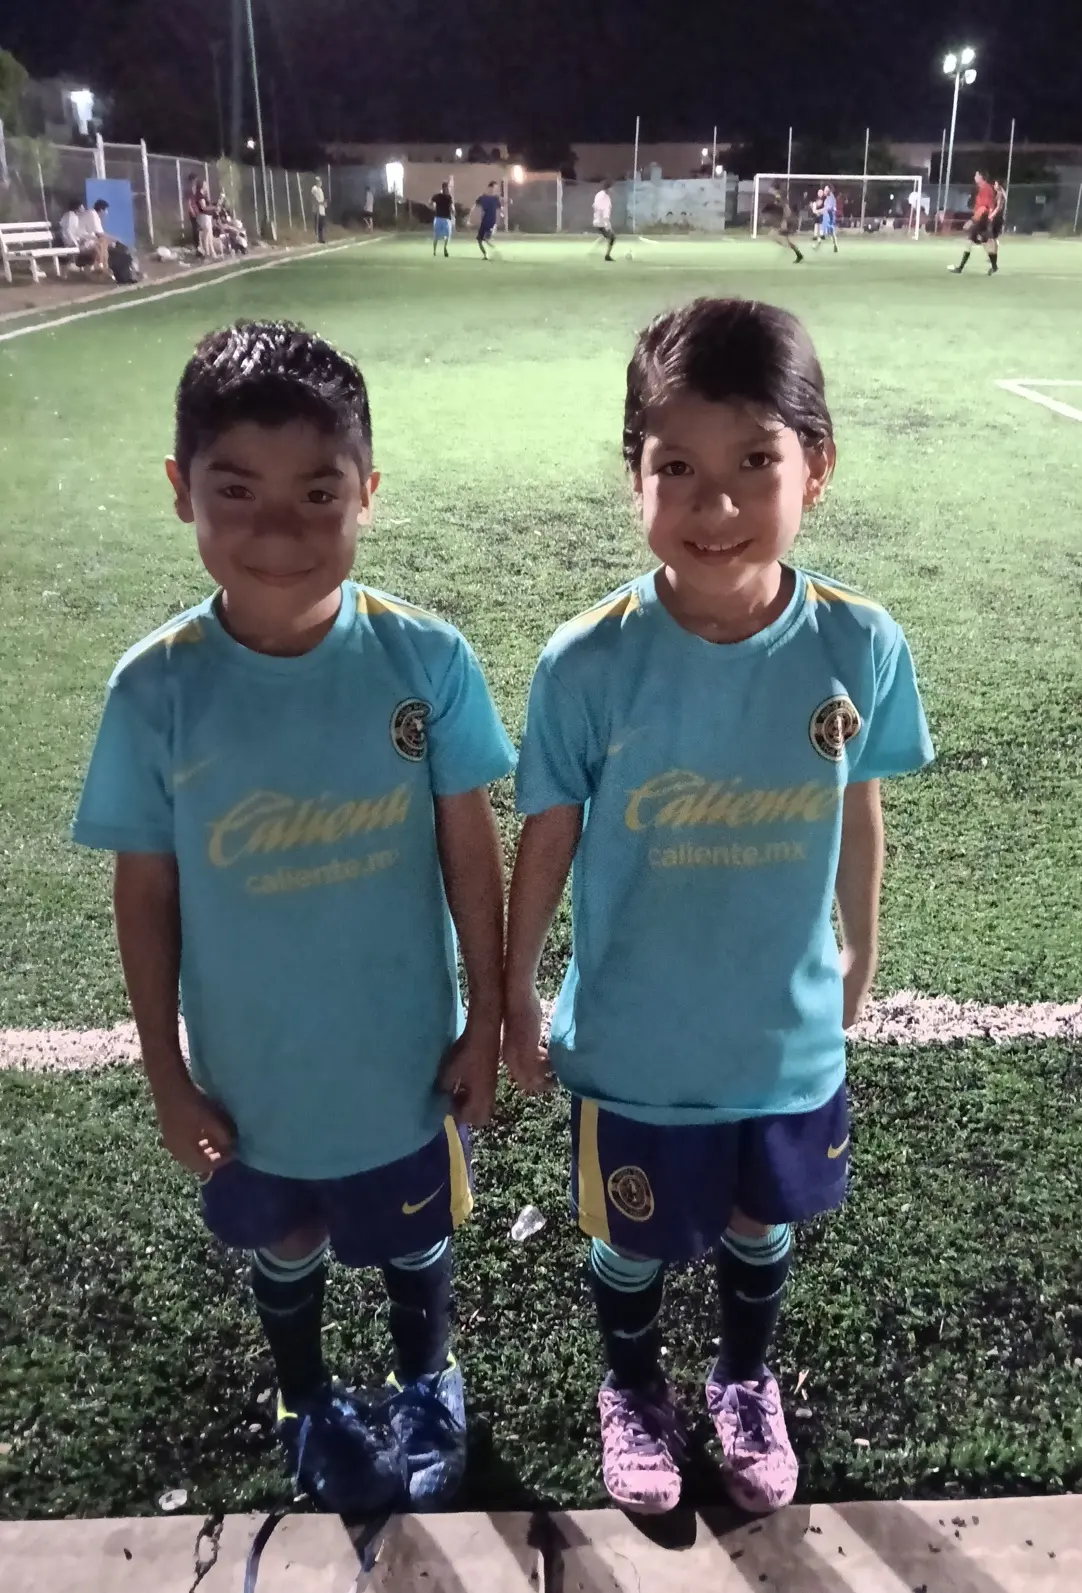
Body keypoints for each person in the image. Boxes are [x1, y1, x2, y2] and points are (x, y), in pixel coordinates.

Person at [72, 322, 515, 1514]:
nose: (278, 530)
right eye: (236, 491)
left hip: (401, 1062)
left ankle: (429, 1380)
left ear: (370, 490)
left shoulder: (422, 658)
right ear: (181, 493)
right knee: (286, 1244)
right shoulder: (156, 687)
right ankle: (305, 1394)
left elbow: (469, 849)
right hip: (252, 1078)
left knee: (419, 1234)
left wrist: (484, 1019)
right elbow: (147, 893)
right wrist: (165, 1074)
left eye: (318, 493)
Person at [503, 297, 934, 1516]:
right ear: (632, 477)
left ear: (819, 468)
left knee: (760, 1213)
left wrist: (864, 940)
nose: (718, 505)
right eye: (676, 468)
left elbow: (858, 805)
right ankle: (631, 1389)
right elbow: (550, 831)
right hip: (637, 1033)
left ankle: (745, 1378)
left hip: (782, 1028)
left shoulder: (859, 642)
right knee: (634, 1234)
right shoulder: (586, 660)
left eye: (757, 463)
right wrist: (519, 988)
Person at [948, 169, 998, 275]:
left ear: (981, 177)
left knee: (970, 241)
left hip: (981, 218)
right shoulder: (984, 188)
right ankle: (994, 266)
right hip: (983, 218)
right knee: (983, 242)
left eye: (976, 175)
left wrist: (973, 220)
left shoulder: (985, 189)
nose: (974, 177)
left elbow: (984, 207)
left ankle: (960, 268)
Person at [764, 185, 803, 263]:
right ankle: (798, 254)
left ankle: (792, 250)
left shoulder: (783, 203)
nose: (776, 195)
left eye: (777, 194)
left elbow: (787, 214)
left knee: (773, 235)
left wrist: (784, 222)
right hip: (783, 223)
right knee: (779, 237)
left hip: (784, 224)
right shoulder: (780, 202)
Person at [77, 198, 112, 274]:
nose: (107, 213)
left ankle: (102, 267)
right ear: (101, 210)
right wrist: (115, 240)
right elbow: (99, 234)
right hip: (81, 241)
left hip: (86, 240)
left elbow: (100, 233)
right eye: (106, 210)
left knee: (104, 242)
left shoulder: (93, 214)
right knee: (102, 242)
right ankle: (101, 268)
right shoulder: (92, 214)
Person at [474, 180, 503, 259]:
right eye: (494, 188)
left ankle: (496, 250)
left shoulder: (495, 198)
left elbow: (500, 207)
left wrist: (502, 213)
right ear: (489, 188)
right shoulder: (483, 197)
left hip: (491, 222)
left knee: (486, 239)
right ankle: (485, 255)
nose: (495, 190)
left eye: (496, 188)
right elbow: (475, 204)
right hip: (484, 221)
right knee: (479, 240)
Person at [593, 182, 616, 262]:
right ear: (608, 188)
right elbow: (605, 212)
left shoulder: (598, 195)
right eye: (612, 187)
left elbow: (595, 206)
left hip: (597, 220)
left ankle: (593, 250)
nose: (613, 189)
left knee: (605, 237)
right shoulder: (605, 198)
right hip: (601, 222)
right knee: (612, 237)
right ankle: (607, 255)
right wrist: (608, 225)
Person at [431, 182, 455, 257]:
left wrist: (453, 211)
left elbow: (451, 206)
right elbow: (431, 202)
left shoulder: (449, 197)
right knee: (436, 236)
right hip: (438, 218)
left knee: (448, 235)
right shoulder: (437, 196)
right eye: (447, 188)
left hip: (447, 219)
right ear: (443, 188)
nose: (448, 189)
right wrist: (434, 205)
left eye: (448, 188)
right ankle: (434, 251)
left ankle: (445, 248)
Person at [814, 185, 839, 253]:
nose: (824, 191)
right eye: (825, 189)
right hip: (827, 216)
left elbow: (828, 208)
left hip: (830, 217)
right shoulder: (826, 197)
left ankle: (835, 245)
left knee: (829, 232)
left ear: (829, 191)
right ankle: (818, 246)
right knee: (823, 231)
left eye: (826, 190)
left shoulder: (830, 198)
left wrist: (819, 211)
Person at [186, 174, 202, 252]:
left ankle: (200, 243)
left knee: (199, 228)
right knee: (195, 228)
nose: (195, 181)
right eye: (194, 180)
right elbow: (188, 202)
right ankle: (197, 245)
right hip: (193, 211)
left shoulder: (196, 188)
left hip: (197, 210)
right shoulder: (189, 189)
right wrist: (191, 211)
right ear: (191, 180)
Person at [311, 178, 327, 244]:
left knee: (321, 225)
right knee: (317, 224)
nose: (320, 182)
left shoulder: (320, 189)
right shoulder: (314, 188)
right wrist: (320, 203)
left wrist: (324, 204)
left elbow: (321, 199)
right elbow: (314, 198)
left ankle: (321, 238)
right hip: (317, 209)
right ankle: (317, 238)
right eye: (319, 181)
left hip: (322, 210)